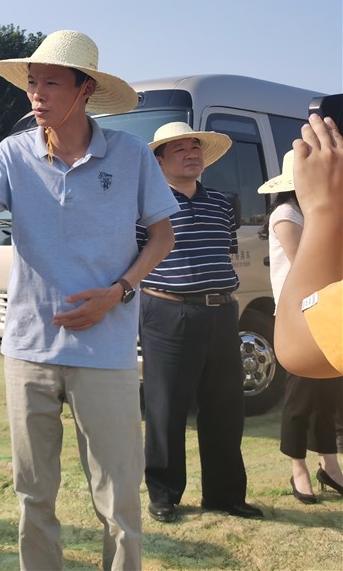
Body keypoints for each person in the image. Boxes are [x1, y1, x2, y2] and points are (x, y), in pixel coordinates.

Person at [0, 29, 178, 571]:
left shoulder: (133, 155)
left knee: (119, 500)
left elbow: (162, 236)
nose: (37, 94)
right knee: (33, 495)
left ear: (85, 88)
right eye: (32, 83)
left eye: (51, 82)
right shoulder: (14, 152)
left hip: (107, 350)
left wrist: (118, 292)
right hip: (28, 350)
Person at [138, 122, 262, 523]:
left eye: (196, 148)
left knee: (226, 406)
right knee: (166, 407)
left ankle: (225, 494)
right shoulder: (144, 206)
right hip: (167, 312)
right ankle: (164, 494)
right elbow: (137, 257)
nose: (193, 155)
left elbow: (224, 250)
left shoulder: (222, 203)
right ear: (159, 161)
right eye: (180, 150)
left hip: (221, 312)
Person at [258, 152, 343, 503]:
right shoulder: (286, 214)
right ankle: (298, 469)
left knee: (328, 397)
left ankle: (329, 465)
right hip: (300, 318)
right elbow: (305, 263)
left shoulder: (318, 210)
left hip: (328, 312)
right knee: (299, 400)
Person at [274, 114, 343, 378]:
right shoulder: (286, 213)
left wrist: (323, 211)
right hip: (309, 305)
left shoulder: (310, 212)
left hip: (308, 310)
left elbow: (296, 348)